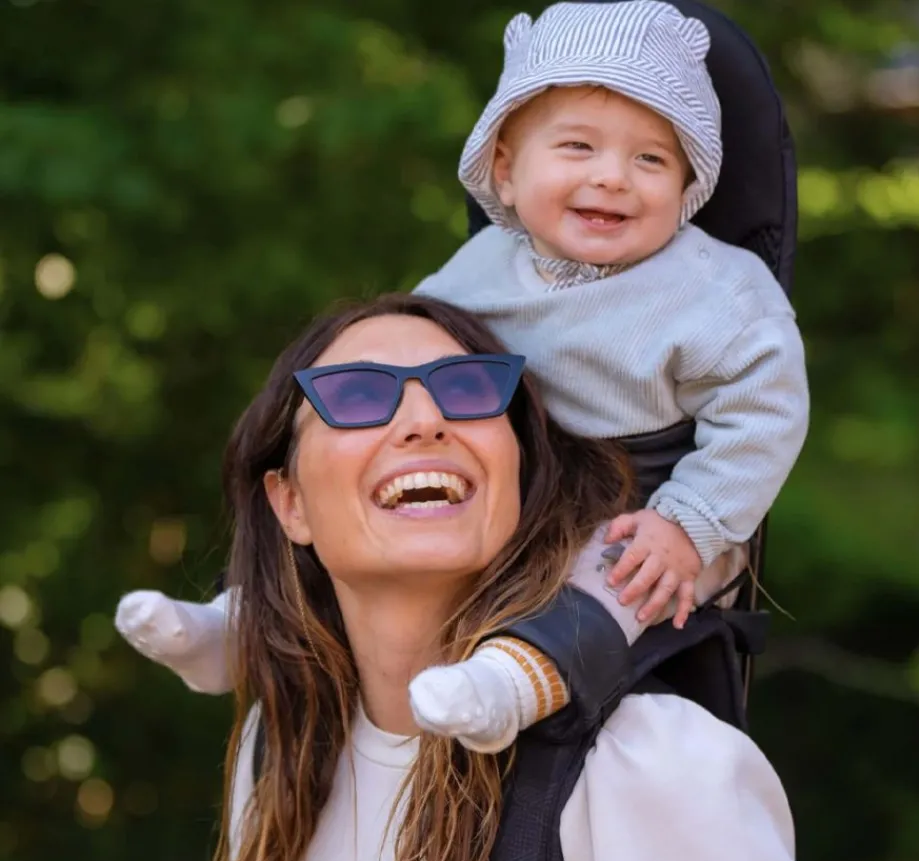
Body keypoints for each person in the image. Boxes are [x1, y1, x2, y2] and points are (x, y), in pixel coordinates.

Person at [115, 0, 807, 753]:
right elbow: (415, 346)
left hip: (647, 503)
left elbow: (765, 415)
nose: (613, 177)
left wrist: (693, 522)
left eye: (652, 160)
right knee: (347, 496)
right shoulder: (483, 267)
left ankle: (511, 683)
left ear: (689, 186)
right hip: (516, 482)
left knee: (615, 576)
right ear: (505, 171)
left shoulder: (717, 291)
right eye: (578, 146)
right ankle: (240, 628)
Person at [184, 292, 856, 861]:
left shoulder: (651, 762)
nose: (425, 420)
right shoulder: (280, 747)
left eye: (469, 389)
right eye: (356, 395)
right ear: (289, 503)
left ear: (518, 473)